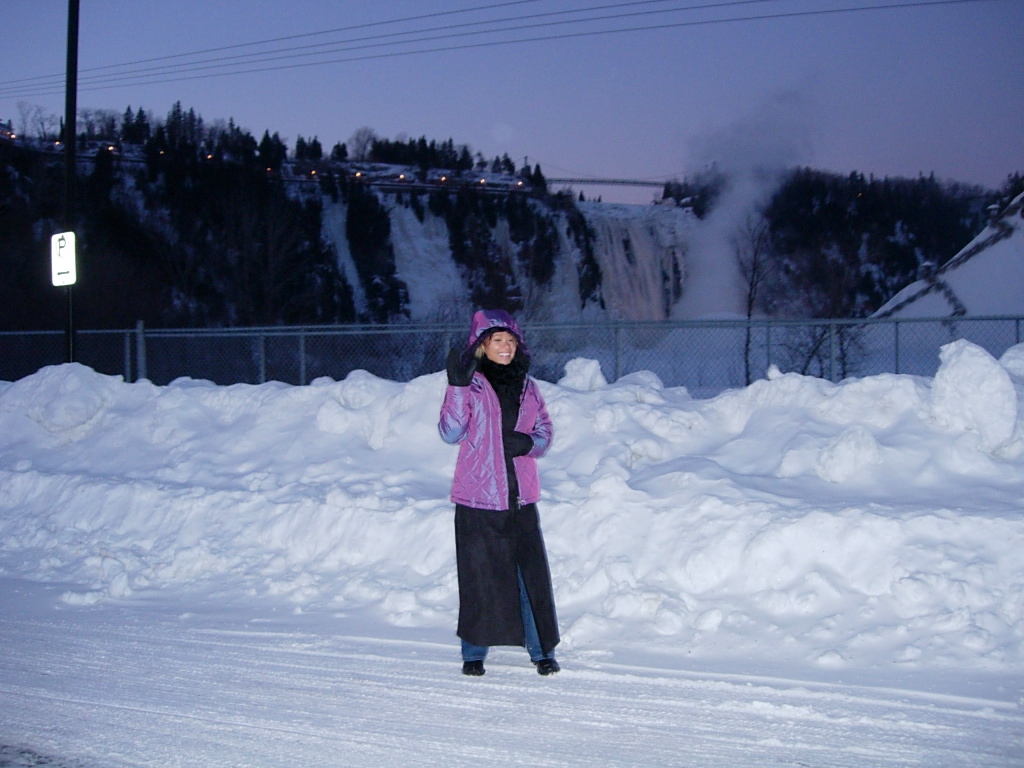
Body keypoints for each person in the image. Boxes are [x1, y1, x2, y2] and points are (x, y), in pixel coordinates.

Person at [438, 309, 561, 677]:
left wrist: (528, 443)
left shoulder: (528, 386)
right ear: (482, 345)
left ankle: (541, 652)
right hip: (477, 497)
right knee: (479, 576)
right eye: (496, 341)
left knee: (530, 577)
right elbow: (450, 432)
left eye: (510, 341)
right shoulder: (470, 384)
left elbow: (545, 431)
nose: (505, 347)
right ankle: (473, 652)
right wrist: (458, 387)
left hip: (520, 496)